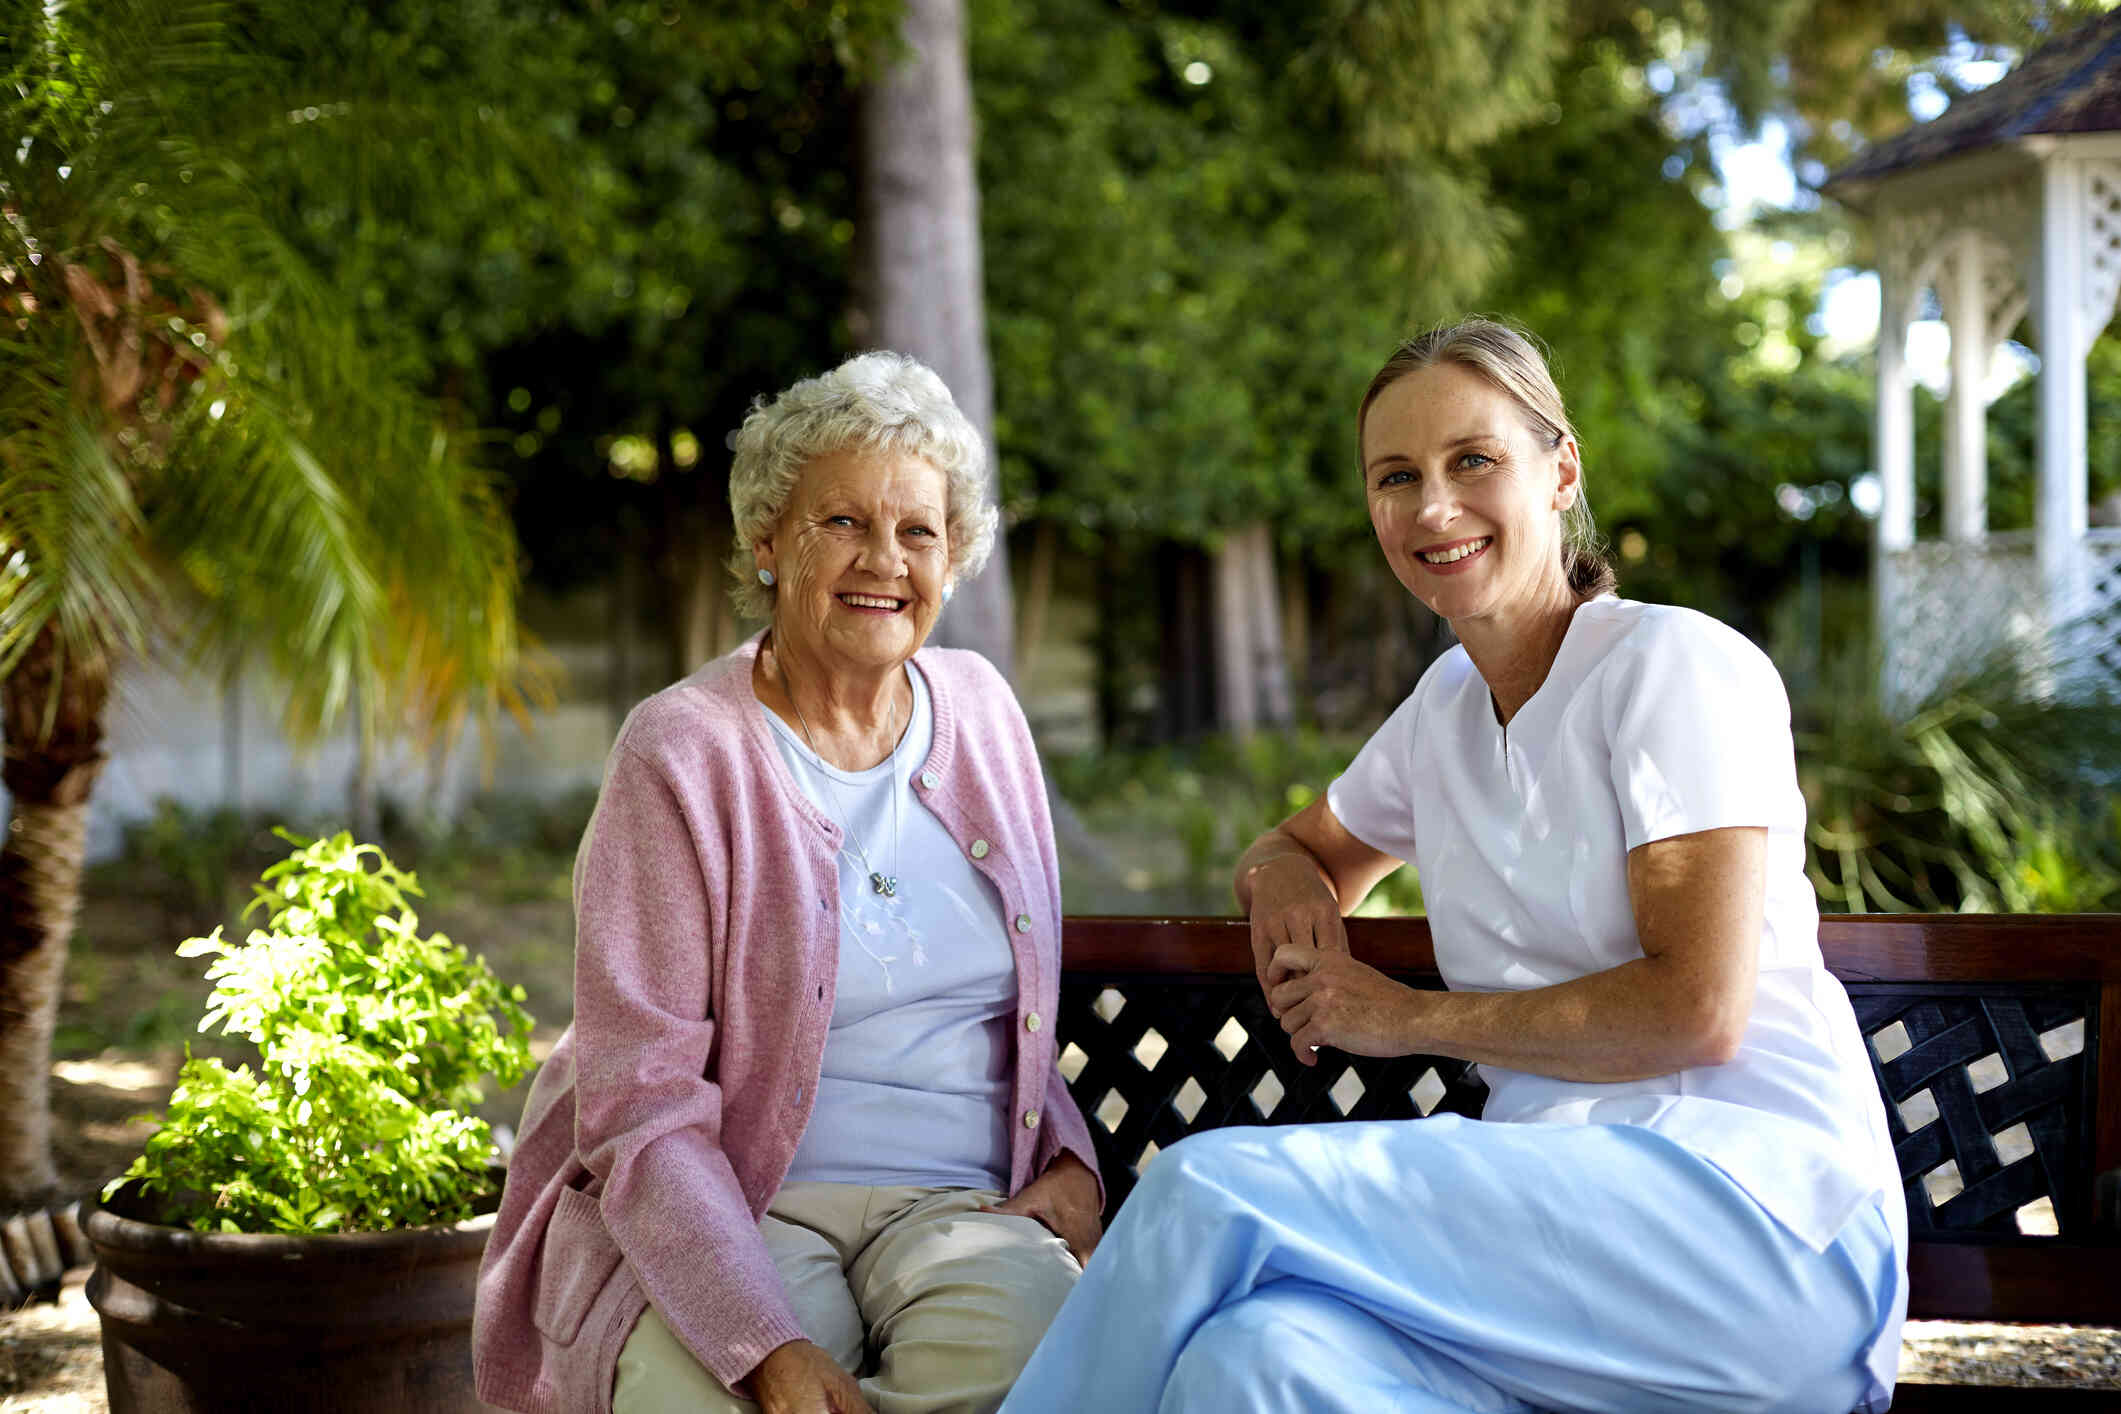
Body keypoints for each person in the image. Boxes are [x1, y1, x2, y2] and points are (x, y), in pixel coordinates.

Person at [998, 318, 1906, 1414]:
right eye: (1396, 477)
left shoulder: (1676, 667)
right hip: (1545, 1258)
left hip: (1755, 1227)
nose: (1432, 507)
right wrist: (1286, 875)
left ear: (1560, 469)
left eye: (1473, 460)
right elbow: (1299, 847)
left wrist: (1405, 1016)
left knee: (1205, 1190)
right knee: (1258, 1359)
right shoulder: (1445, 713)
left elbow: (1697, 1009)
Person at [474, 351, 1102, 1414]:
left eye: (919, 531)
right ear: (769, 540)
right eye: (842, 523)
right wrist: (761, 1342)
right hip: (740, 1202)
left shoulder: (986, 712)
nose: (885, 560)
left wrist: (1074, 1164)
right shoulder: (680, 751)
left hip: (963, 1207)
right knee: (720, 1400)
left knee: (1050, 1372)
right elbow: (641, 1101)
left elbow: (1024, 1015)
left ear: (953, 559)